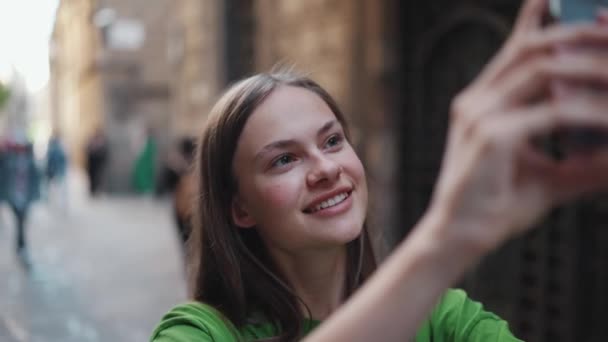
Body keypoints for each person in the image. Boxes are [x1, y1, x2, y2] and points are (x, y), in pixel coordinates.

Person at [151, 1, 608, 341]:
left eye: (332, 141)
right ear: (240, 208)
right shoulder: (199, 331)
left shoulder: (442, 317)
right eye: (284, 159)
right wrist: (447, 236)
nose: (326, 168)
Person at [85, 128, 108, 196]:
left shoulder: (102, 141)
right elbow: (87, 149)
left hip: (99, 163)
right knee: (92, 177)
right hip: (92, 162)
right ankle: (92, 190)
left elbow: (104, 152)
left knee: (99, 177)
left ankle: (98, 190)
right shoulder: (91, 140)